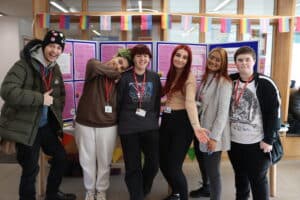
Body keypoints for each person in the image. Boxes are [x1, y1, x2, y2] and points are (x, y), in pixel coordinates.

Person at [0, 30, 76, 200]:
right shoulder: (23, 65)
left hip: (44, 126)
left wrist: (56, 115)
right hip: (26, 126)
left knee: (61, 157)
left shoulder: (54, 67)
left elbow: (59, 94)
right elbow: (7, 91)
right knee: (30, 169)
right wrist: (40, 98)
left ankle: (52, 194)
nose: (54, 51)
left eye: (58, 48)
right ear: (43, 45)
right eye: (51, 46)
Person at [74, 49, 132, 200]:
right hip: (84, 123)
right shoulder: (94, 67)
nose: (118, 66)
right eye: (119, 61)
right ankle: (89, 190)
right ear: (115, 56)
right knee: (86, 161)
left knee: (104, 161)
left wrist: (119, 76)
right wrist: (119, 74)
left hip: (108, 126)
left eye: (122, 67)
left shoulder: (119, 82)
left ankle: (101, 190)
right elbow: (93, 65)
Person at [228, 46, 281, 200]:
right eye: (240, 60)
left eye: (247, 60)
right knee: (240, 179)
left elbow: (274, 113)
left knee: (258, 181)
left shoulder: (266, 83)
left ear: (254, 61)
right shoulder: (230, 81)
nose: (244, 63)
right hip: (234, 142)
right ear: (235, 63)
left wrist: (268, 139)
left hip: (258, 143)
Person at [159, 45, 209, 200]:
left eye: (184, 57)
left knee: (174, 167)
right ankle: (176, 193)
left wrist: (196, 127)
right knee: (163, 163)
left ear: (188, 61)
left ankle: (182, 196)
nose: (180, 59)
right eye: (178, 55)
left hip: (182, 124)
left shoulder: (189, 77)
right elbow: (172, 97)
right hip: (167, 120)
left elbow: (189, 103)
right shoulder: (172, 73)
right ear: (173, 56)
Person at [117, 44, 161, 200]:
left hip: (150, 126)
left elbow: (156, 101)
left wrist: (154, 120)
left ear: (149, 59)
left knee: (153, 163)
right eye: (138, 56)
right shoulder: (124, 77)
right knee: (132, 167)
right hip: (129, 128)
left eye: (145, 56)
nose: (142, 59)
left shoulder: (154, 77)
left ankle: (143, 188)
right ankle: (137, 196)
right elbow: (118, 101)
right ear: (133, 59)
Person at [190, 48, 232, 200]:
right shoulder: (206, 77)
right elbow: (202, 102)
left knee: (213, 172)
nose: (213, 62)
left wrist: (214, 138)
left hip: (212, 134)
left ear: (223, 63)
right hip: (200, 130)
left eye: (218, 60)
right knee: (203, 165)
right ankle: (206, 188)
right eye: (212, 58)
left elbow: (222, 113)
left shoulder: (225, 82)